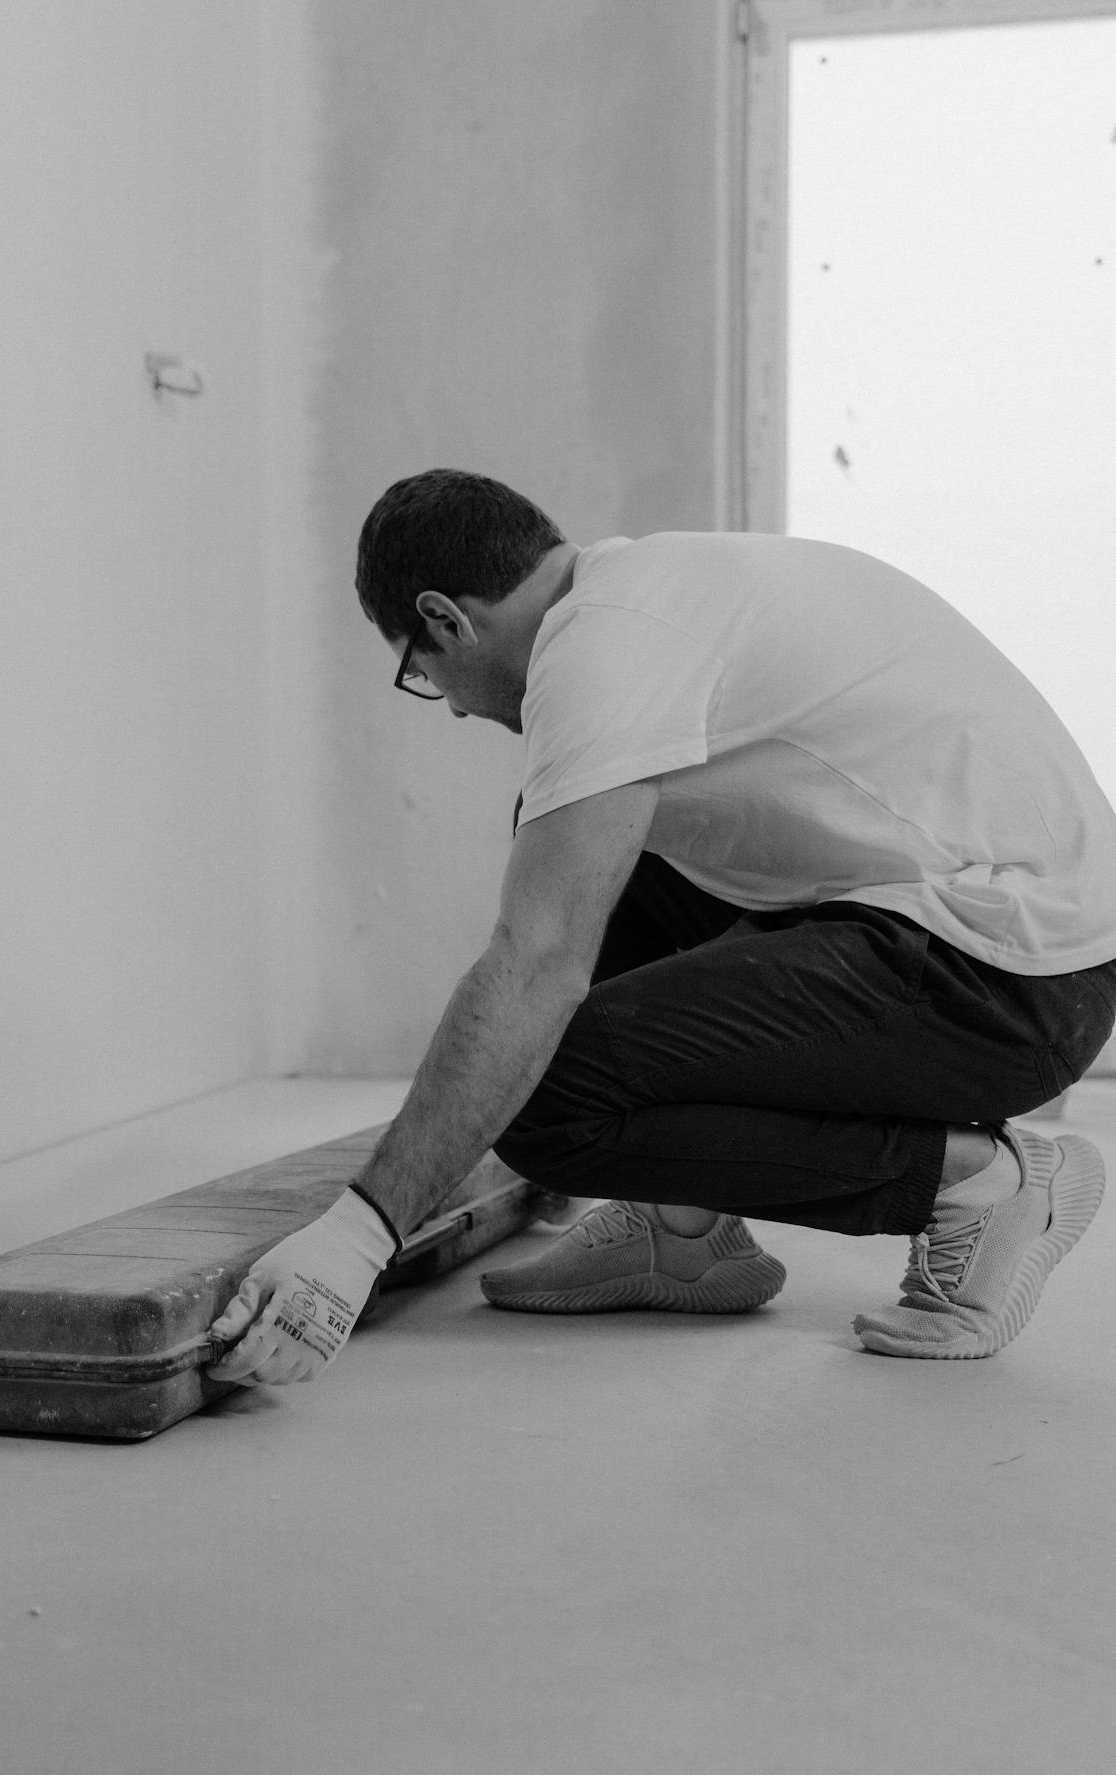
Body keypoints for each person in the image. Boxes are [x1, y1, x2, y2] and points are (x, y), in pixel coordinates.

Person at [208, 469, 1116, 1388]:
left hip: (1010, 982)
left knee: (546, 1095)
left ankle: (980, 1182)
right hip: (988, 929)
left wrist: (359, 1234)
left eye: (420, 667)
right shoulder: (643, 599)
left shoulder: (603, 655)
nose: (444, 701)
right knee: (589, 835)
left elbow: (536, 962)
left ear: (445, 618)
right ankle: (679, 1231)